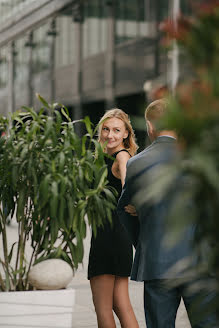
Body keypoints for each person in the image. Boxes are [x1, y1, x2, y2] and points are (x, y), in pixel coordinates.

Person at [117, 99, 217, 328]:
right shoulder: (202, 159)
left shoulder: (136, 163)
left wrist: (145, 242)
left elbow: (123, 210)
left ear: (149, 126)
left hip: (157, 262)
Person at [88, 108, 139, 328]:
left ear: (126, 134)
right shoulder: (106, 157)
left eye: (117, 130)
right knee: (122, 305)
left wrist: (134, 204)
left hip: (108, 237)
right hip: (119, 237)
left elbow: (129, 189)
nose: (110, 135)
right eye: (106, 129)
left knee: (103, 309)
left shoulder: (122, 156)